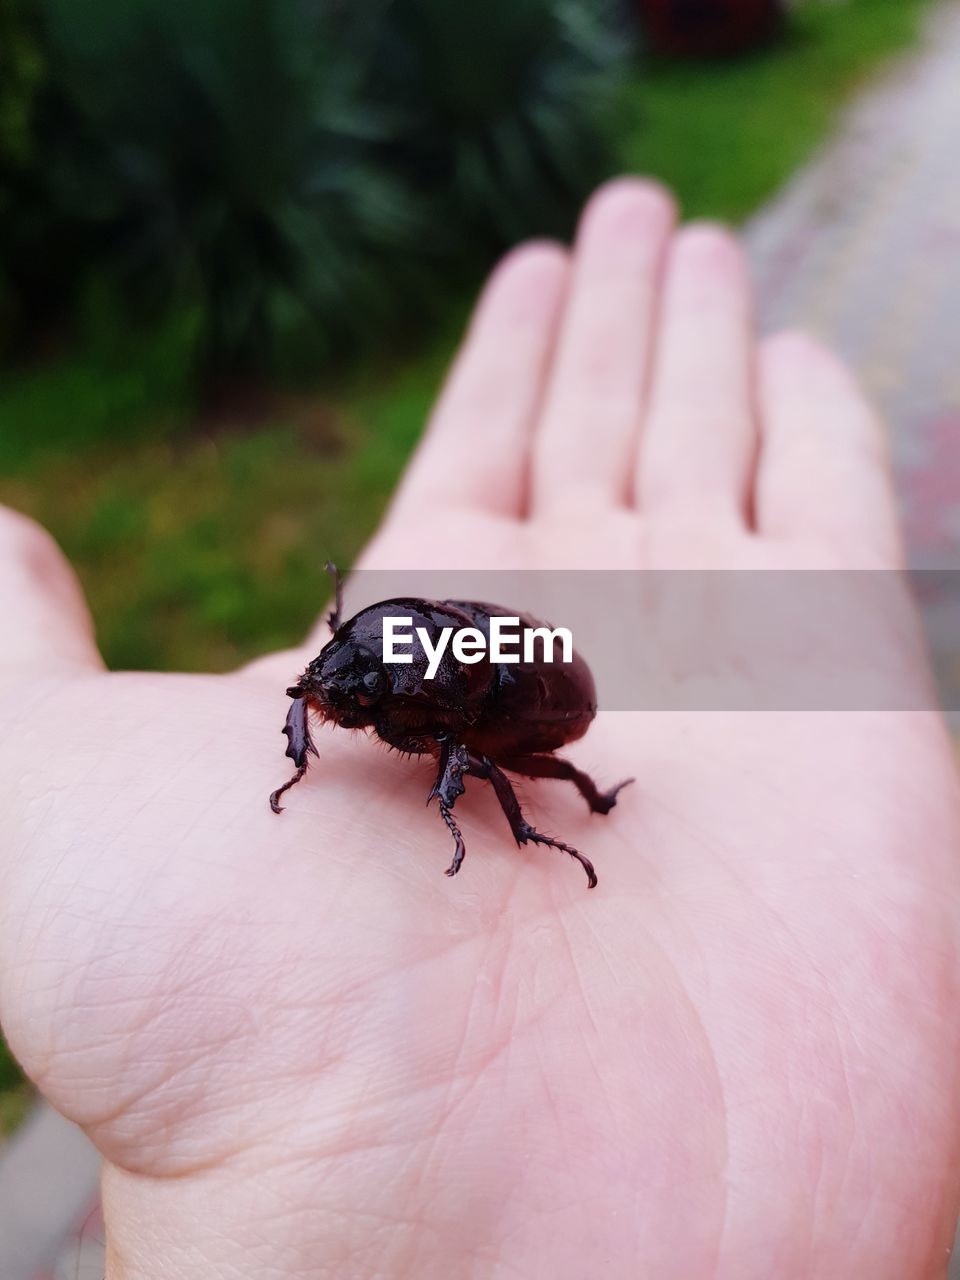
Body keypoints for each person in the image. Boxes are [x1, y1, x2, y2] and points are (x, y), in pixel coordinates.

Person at [0, 178, 958, 1279]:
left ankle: (583, 803)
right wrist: (307, 744)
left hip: (539, 701)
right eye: (340, 675)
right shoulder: (374, 664)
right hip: (498, 673)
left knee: (500, 764)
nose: (331, 692)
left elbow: (467, 747)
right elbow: (321, 687)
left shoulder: (451, 711)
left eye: (353, 680)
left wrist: (486, 810)